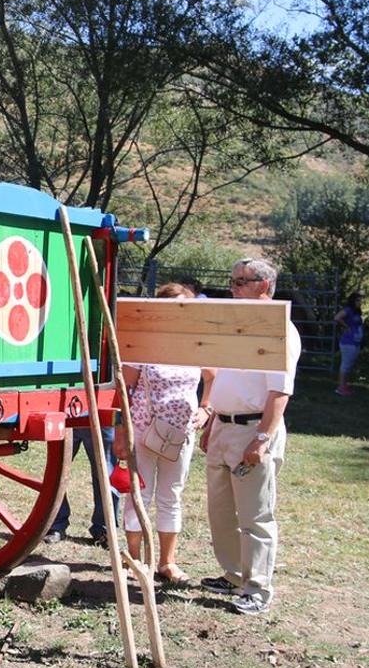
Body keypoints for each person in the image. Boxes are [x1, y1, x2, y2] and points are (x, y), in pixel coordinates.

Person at [200, 257, 301, 615]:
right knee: (221, 510)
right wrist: (212, 420)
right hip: (224, 427)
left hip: (252, 430)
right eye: (232, 281)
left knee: (255, 514)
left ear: (264, 286)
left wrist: (262, 439)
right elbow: (223, 379)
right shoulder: (236, 326)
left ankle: (257, 587)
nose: (233, 287)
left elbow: (280, 392)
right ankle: (233, 574)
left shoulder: (280, 331)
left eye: (241, 281)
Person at [114, 283, 213, 585]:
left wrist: (207, 409)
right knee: (139, 494)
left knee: (172, 495)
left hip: (180, 433)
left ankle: (167, 563)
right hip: (143, 430)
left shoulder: (196, 344)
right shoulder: (143, 344)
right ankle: (136, 560)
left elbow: (212, 376)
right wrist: (121, 429)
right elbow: (124, 387)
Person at [45, 426, 120, 547]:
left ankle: (104, 530)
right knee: (56, 472)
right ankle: (56, 525)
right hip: (66, 414)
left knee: (105, 476)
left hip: (101, 419)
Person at [333, 292, 364, 396]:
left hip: (356, 342)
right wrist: (346, 326)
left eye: (360, 301)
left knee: (350, 364)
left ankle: (345, 384)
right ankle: (341, 387)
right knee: (345, 365)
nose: (360, 303)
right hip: (348, 342)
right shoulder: (348, 310)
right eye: (358, 300)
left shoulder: (357, 312)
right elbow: (337, 317)